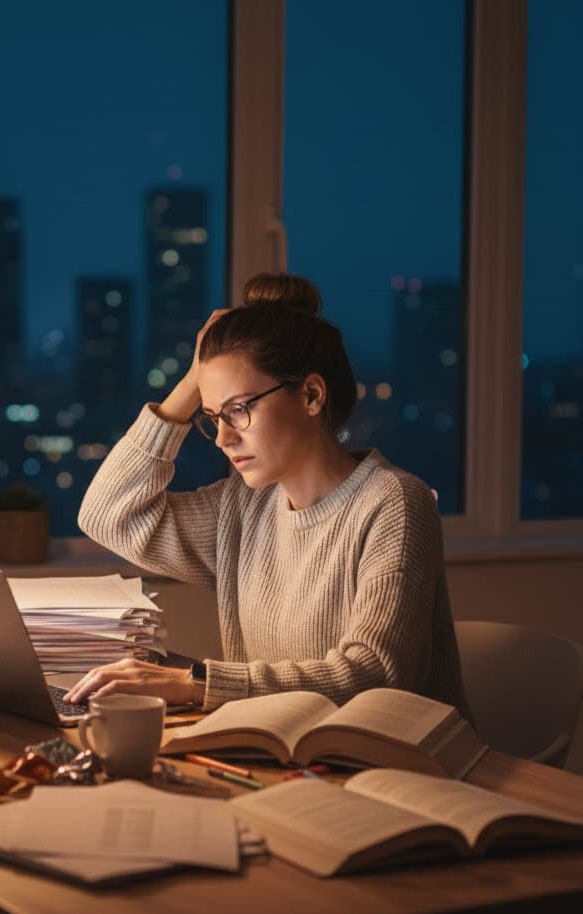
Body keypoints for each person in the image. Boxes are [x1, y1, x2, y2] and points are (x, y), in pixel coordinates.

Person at [66, 273, 470, 716]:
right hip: (282, 754)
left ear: (312, 395)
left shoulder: (394, 504)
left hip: (397, 765)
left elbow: (374, 673)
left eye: (238, 410)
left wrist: (196, 684)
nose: (222, 437)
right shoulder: (242, 507)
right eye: (213, 415)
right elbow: (108, 515)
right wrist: (192, 379)